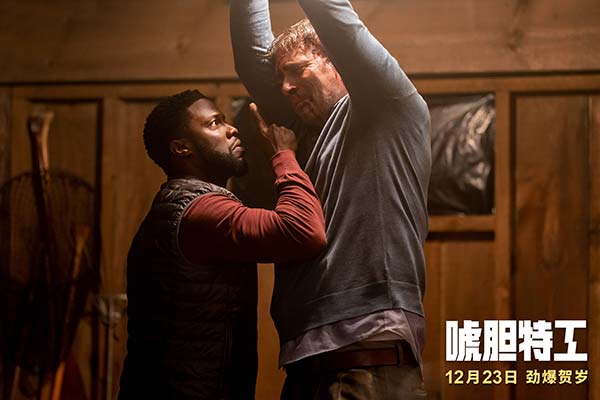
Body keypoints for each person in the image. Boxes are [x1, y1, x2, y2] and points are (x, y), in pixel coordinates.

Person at [231, 1, 431, 398]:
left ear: (335, 61)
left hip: (366, 353)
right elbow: (251, 59)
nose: (286, 86)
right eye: (281, 77)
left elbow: (338, 23)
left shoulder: (386, 107)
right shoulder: (304, 132)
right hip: (305, 364)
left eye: (297, 70)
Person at [118, 90, 327, 400]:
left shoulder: (180, 206)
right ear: (181, 148)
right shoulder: (202, 212)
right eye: (214, 123)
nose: (232, 129)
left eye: (225, 120)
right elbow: (303, 230)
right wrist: (284, 155)